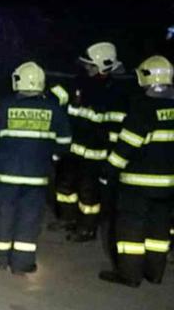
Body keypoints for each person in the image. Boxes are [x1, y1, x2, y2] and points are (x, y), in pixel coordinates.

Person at [0, 62, 72, 275]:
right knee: (30, 217)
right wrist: (52, 159)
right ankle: (22, 263)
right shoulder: (54, 110)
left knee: (4, 213)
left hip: (6, 174)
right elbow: (65, 142)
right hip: (37, 175)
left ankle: (0, 257)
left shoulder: (5, 107)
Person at [100, 55, 174, 287]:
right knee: (158, 230)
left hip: (136, 185)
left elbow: (125, 147)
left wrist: (107, 172)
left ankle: (129, 275)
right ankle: (155, 273)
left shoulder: (143, 109)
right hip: (168, 186)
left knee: (130, 229)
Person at [55, 42, 127, 242]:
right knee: (65, 187)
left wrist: (111, 157)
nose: (87, 68)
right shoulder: (81, 82)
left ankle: (87, 229)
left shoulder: (114, 93)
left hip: (96, 154)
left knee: (89, 194)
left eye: (91, 65)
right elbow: (63, 99)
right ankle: (67, 219)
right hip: (73, 149)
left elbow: (115, 128)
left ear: (104, 66)